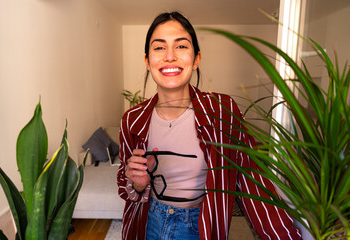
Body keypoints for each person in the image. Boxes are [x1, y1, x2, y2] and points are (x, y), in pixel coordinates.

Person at [117, 11, 302, 240]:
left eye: (181, 46)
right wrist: (136, 185)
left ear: (196, 59)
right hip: (147, 224)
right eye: (159, 47)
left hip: (200, 227)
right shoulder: (132, 119)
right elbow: (126, 186)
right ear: (147, 60)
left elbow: (253, 183)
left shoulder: (222, 111)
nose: (170, 56)